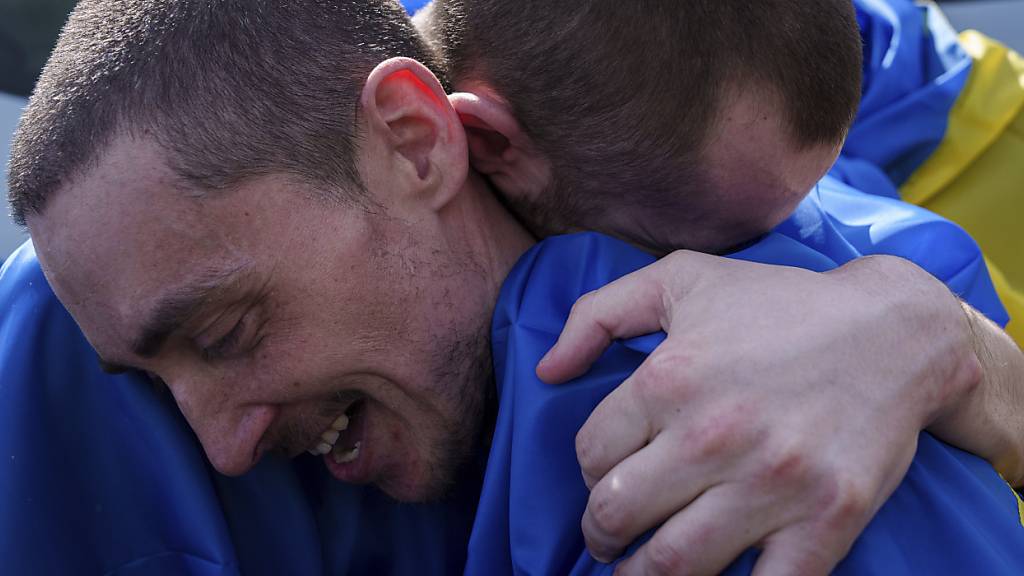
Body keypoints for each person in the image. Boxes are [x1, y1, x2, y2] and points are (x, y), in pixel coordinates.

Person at [4, 0, 1023, 574]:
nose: (218, 447)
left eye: (229, 333)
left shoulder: (803, 315)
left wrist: (931, 330)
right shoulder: (115, 253)